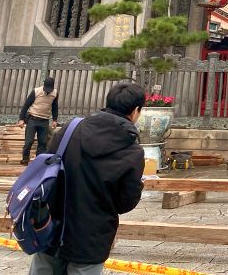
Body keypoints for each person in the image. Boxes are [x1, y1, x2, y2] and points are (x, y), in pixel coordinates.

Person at [28, 82, 146, 275]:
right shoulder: (132, 152)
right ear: (135, 111)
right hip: (90, 239)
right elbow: (125, 203)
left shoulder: (69, 129)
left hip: (50, 229)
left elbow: (46, 170)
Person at [17, 77, 59, 165]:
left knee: (43, 142)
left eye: (49, 90)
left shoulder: (54, 93)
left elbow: (55, 107)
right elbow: (26, 105)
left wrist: (55, 119)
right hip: (33, 119)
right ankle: (25, 159)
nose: (48, 92)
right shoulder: (36, 92)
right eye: (46, 89)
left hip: (44, 120)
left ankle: (39, 161)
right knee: (29, 141)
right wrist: (21, 119)